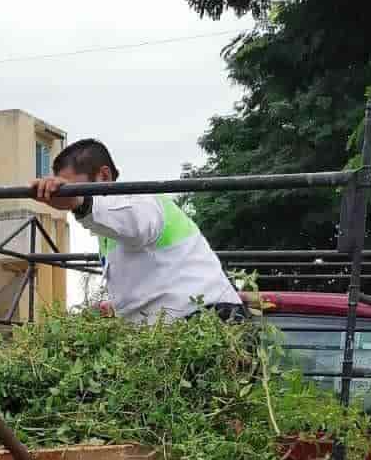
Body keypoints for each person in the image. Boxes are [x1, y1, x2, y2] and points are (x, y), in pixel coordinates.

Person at [32, 137, 243, 324]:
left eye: (73, 187)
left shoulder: (142, 201)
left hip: (211, 320)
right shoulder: (105, 229)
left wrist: (79, 200)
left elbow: (134, 221)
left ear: (103, 176)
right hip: (170, 333)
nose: (67, 198)